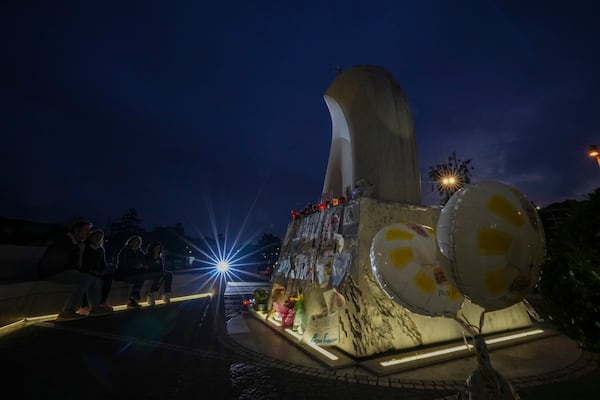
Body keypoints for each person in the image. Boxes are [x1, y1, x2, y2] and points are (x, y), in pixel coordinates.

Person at [37, 220, 110, 320]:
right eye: (86, 230)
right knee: (85, 279)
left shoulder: (77, 244)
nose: (88, 233)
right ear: (76, 230)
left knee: (96, 281)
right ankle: (68, 310)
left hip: (66, 271)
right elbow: (57, 262)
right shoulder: (64, 241)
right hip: (52, 272)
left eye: (89, 231)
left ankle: (94, 308)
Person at [80, 229, 114, 313]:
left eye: (100, 237)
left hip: (97, 271)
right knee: (89, 280)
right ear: (90, 237)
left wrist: (102, 271)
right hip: (87, 270)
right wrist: (91, 270)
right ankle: (84, 305)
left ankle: (102, 302)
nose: (98, 239)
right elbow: (82, 262)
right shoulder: (85, 247)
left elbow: (103, 263)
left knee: (108, 278)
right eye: (96, 237)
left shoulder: (101, 249)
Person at [115, 235, 151, 308]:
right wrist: (134, 266)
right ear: (130, 242)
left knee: (141, 275)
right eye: (136, 241)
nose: (138, 243)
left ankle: (133, 298)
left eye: (139, 242)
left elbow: (144, 261)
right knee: (139, 277)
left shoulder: (140, 252)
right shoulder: (125, 251)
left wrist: (144, 265)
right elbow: (122, 264)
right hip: (125, 273)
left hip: (136, 272)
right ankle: (133, 297)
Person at [144, 240, 173, 306]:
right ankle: (151, 296)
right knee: (158, 276)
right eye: (156, 248)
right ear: (152, 248)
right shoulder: (147, 256)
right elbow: (147, 266)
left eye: (159, 248)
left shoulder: (159, 257)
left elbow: (161, 267)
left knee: (169, 274)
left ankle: (166, 294)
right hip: (149, 272)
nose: (157, 249)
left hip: (158, 272)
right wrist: (154, 259)